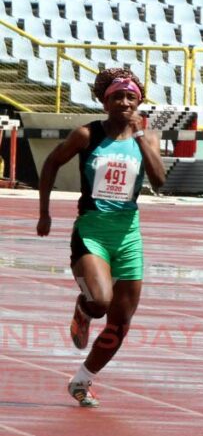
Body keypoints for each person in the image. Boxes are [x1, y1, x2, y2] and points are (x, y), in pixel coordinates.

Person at [36, 68, 166, 407]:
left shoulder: (147, 139)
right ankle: (83, 309)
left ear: (139, 101)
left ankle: (82, 380)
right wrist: (45, 212)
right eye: (116, 97)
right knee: (100, 302)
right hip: (91, 231)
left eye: (131, 97)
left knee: (120, 323)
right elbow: (51, 163)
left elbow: (161, 181)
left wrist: (139, 138)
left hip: (128, 235)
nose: (124, 102)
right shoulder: (86, 135)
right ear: (104, 102)